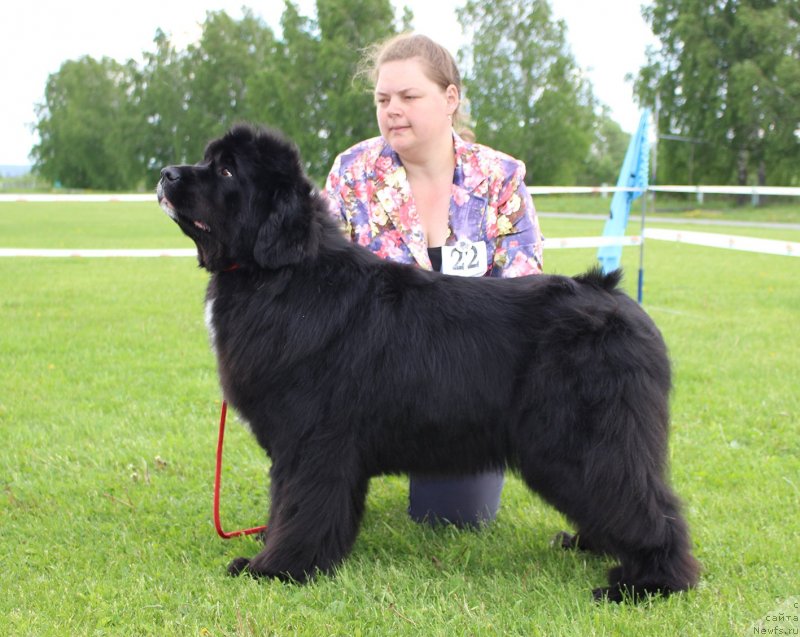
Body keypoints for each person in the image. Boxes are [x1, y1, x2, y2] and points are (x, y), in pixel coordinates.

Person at [322, 33, 544, 527]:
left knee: (454, 518)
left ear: (450, 99)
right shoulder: (351, 173)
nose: (393, 110)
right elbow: (320, 281)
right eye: (383, 99)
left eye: (408, 97)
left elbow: (524, 293)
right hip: (371, 383)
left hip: (470, 384)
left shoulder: (500, 178)